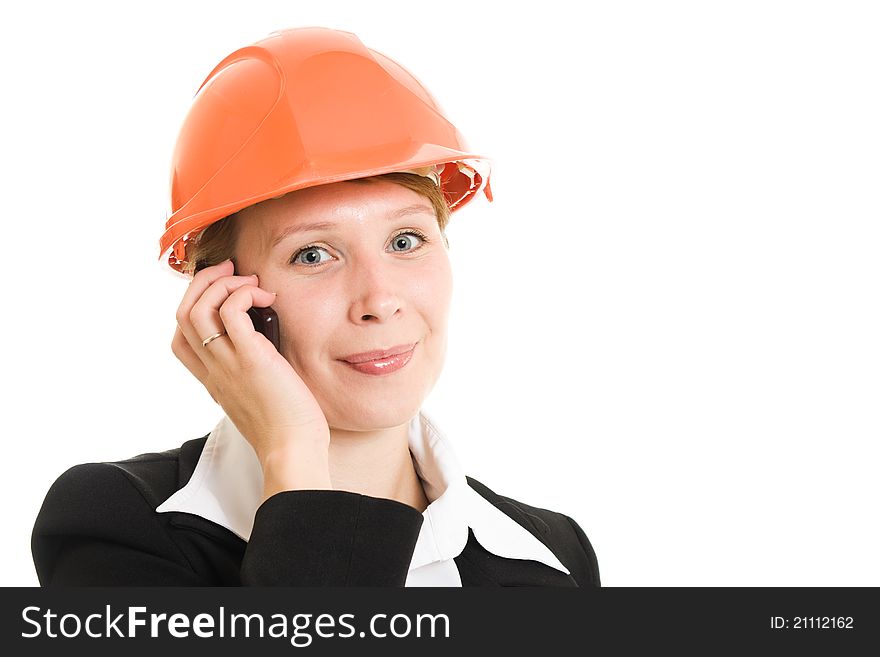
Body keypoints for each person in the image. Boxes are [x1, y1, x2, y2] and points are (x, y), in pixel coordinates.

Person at [31, 27, 600, 587]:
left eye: (406, 241)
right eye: (312, 254)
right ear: (224, 301)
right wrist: (293, 456)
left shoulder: (554, 555)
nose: (379, 300)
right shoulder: (116, 524)